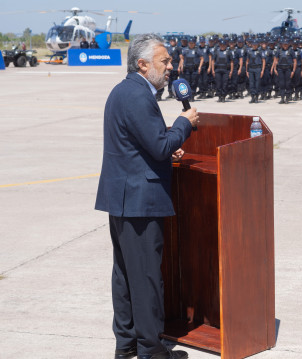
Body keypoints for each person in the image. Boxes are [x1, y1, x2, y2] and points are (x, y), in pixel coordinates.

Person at [95, 33, 199, 359]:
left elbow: (143, 145)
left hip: (124, 198)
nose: (171, 67)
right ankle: (152, 352)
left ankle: (126, 347)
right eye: (164, 61)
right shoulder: (139, 96)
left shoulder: (125, 91)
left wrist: (167, 146)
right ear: (143, 64)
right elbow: (158, 145)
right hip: (139, 202)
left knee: (126, 277)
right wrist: (183, 123)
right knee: (146, 280)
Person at [272, 38, 296, 104]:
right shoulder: (278, 51)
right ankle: (282, 98)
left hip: (288, 69)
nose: (285, 45)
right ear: (282, 44)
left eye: (286, 44)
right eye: (284, 44)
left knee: (288, 84)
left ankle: (287, 98)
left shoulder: (291, 51)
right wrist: (274, 69)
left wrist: (293, 71)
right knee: (281, 84)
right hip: (280, 69)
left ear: (288, 44)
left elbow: (295, 61)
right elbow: (275, 60)